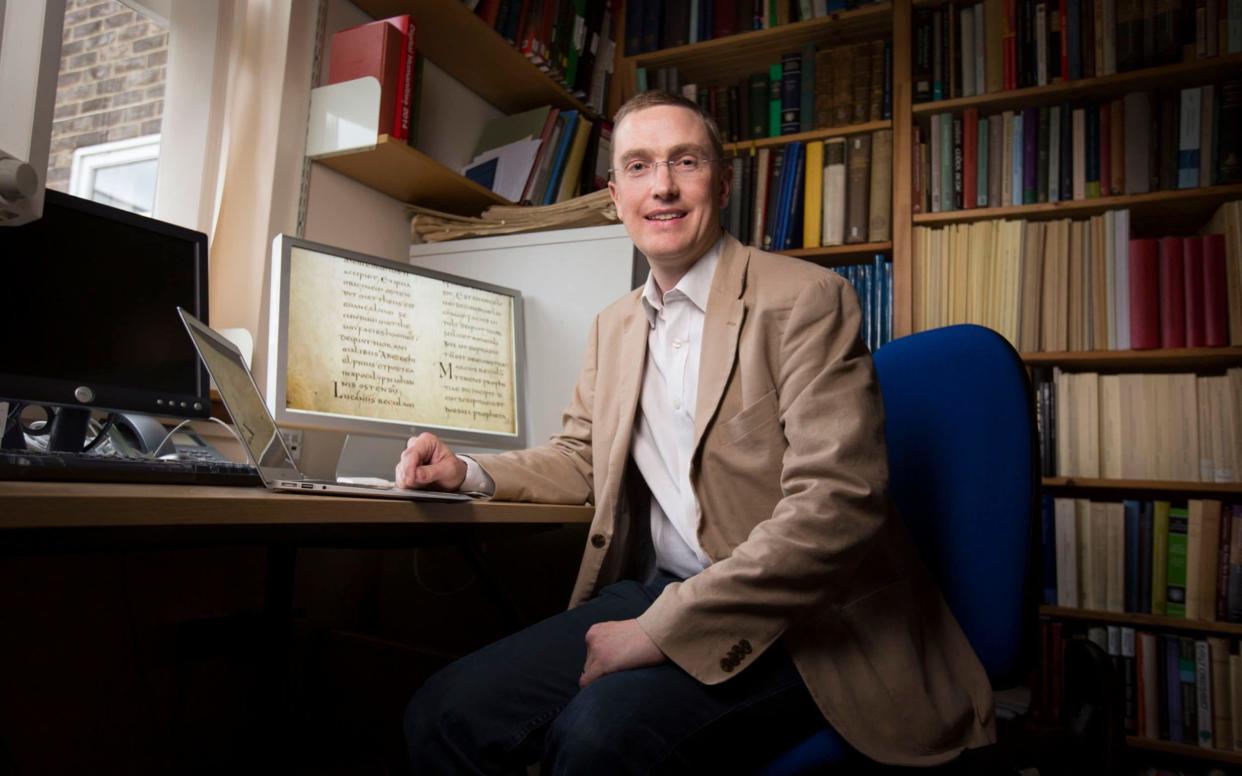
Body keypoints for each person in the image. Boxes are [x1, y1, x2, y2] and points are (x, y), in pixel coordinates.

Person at [398, 91, 994, 774]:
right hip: (663, 587)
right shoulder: (614, 326)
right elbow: (582, 458)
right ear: (615, 193)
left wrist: (661, 630)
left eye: (687, 161)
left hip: (800, 620)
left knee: (596, 742)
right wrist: (468, 471)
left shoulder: (806, 299)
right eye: (640, 166)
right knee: (443, 713)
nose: (664, 187)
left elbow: (836, 505)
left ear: (723, 181)